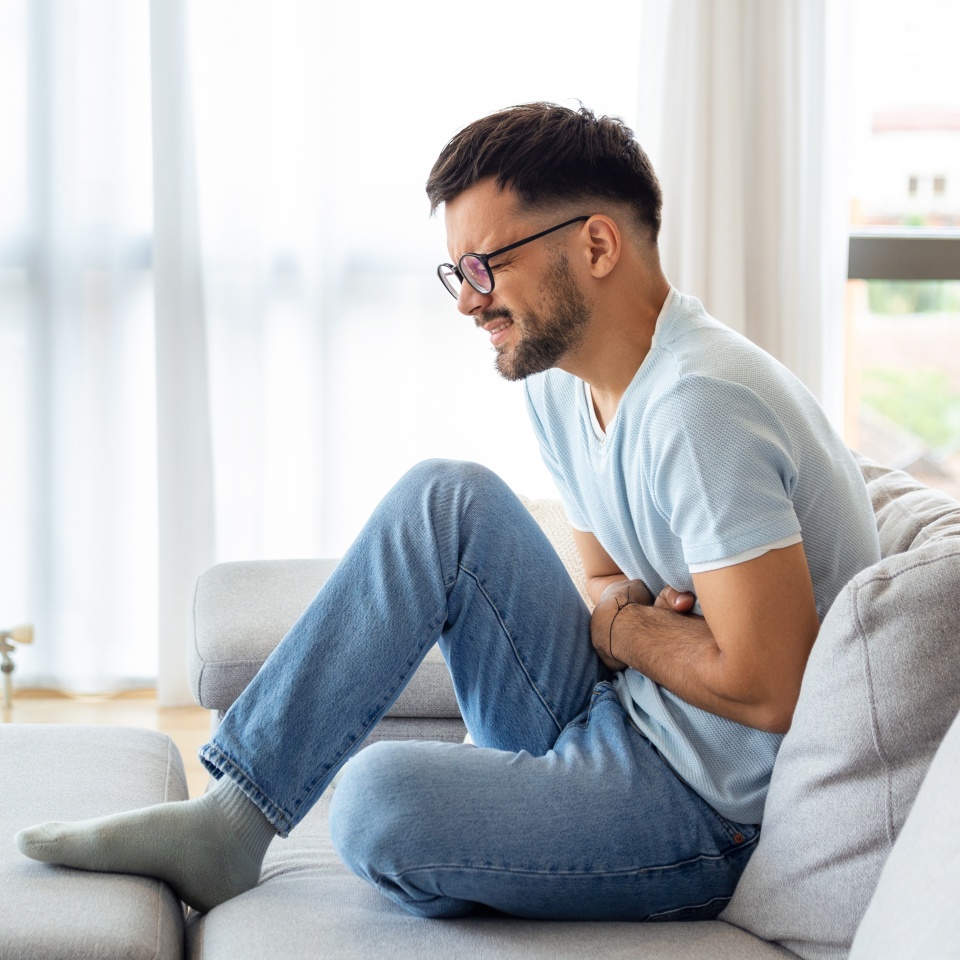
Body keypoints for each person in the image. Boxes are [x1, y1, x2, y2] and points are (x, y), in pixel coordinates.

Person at [17, 102, 881, 921]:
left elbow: (771, 687)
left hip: (708, 814)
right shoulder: (563, 387)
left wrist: (623, 635)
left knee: (374, 800)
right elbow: (608, 580)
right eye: (455, 273)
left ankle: (512, 834)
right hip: (626, 717)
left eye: (486, 265)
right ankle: (233, 819)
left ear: (598, 243)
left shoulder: (702, 406)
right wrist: (644, 630)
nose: (469, 300)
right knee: (447, 498)